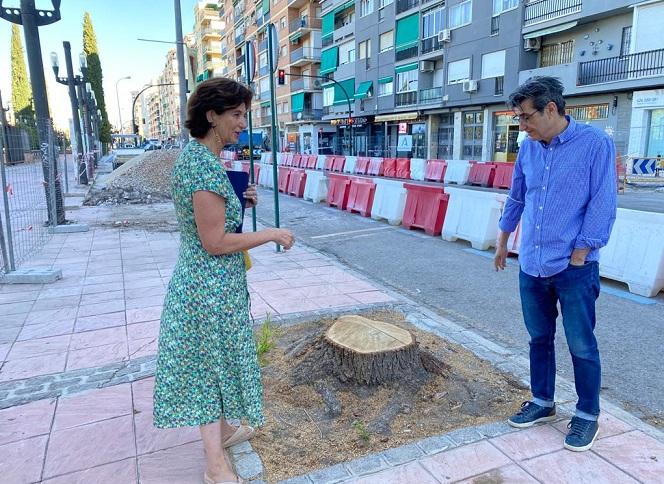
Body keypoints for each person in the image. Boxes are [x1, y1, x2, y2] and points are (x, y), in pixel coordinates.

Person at [153, 77, 295, 484]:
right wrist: (271, 233)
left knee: (214, 364)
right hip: (207, 289)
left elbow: (212, 220)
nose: (241, 123)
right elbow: (214, 241)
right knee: (207, 370)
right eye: (235, 115)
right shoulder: (200, 165)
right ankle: (215, 465)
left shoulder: (204, 161)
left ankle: (225, 432)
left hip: (213, 286)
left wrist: (238, 200)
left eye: (243, 115)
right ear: (211, 116)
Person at [494, 77, 617, 452]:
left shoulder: (595, 144)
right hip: (531, 262)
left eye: (526, 117)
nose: (522, 125)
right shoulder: (529, 149)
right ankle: (543, 401)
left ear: (551, 108)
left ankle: (587, 415)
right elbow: (517, 197)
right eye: (518, 118)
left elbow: (603, 202)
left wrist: (582, 253)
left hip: (573, 266)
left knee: (581, 343)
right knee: (539, 338)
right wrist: (503, 242)